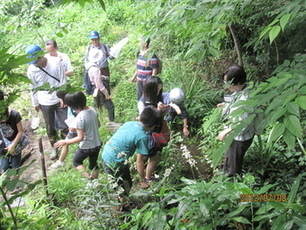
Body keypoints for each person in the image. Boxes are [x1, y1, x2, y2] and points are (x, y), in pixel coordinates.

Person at [101, 106, 161, 201]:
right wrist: (142, 180)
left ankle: (122, 202)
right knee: (124, 186)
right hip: (116, 161)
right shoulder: (142, 137)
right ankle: (122, 207)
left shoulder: (129, 123)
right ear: (153, 126)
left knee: (123, 183)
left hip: (106, 154)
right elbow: (139, 162)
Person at [26, 44, 68, 160]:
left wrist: (62, 96)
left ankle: (65, 144)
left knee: (65, 123)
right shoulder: (31, 69)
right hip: (44, 99)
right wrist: (35, 103)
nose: (34, 63)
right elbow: (33, 86)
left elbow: (63, 80)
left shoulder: (56, 62)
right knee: (50, 126)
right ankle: (54, 147)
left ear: (41, 55)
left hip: (59, 96)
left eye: (35, 60)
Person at [217, 65, 255, 177]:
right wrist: (226, 105)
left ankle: (232, 184)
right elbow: (235, 102)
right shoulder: (242, 89)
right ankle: (225, 172)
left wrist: (227, 131)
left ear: (237, 83)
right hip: (235, 136)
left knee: (235, 163)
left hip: (240, 138)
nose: (226, 86)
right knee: (229, 155)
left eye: (228, 83)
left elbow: (243, 125)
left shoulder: (245, 100)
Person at [54, 92, 101, 179]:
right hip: (97, 143)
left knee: (77, 162)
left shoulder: (79, 118)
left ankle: (90, 180)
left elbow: (80, 138)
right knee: (93, 164)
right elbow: (98, 125)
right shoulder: (92, 110)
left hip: (87, 146)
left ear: (72, 106)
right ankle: (96, 181)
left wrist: (65, 141)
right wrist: (77, 128)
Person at [0, 90, 29, 174]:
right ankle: (9, 184)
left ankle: (16, 185)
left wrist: (13, 145)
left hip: (15, 145)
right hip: (2, 147)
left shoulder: (15, 115)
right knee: (4, 166)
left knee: (16, 165)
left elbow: (20, 131)